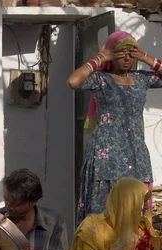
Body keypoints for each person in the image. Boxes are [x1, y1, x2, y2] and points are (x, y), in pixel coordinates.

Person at [67, 31, 162, 224]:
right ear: (112, 55)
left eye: (131, 53)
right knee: (104, 215)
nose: (127, 58)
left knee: (135, 213)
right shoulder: (101, 79)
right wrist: (102, 56)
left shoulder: (141, 79)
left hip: (136, 153)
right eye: (121, 53)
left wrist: (145, 57)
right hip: (106, 154)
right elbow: (73, 81)